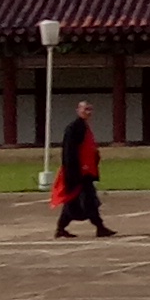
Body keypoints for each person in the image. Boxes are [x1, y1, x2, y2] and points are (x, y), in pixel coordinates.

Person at [52, 99, 111, 238]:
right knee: (89, 200)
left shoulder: (84, 127)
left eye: (90, 109)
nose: (88, 112)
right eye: (85, 109)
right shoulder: (73, 128)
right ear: (78, 111)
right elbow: (69, 152)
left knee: (73, 202)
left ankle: (60, 228)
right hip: (78, 172)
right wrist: (73, 171)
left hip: (86, 172)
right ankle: (100, 227)